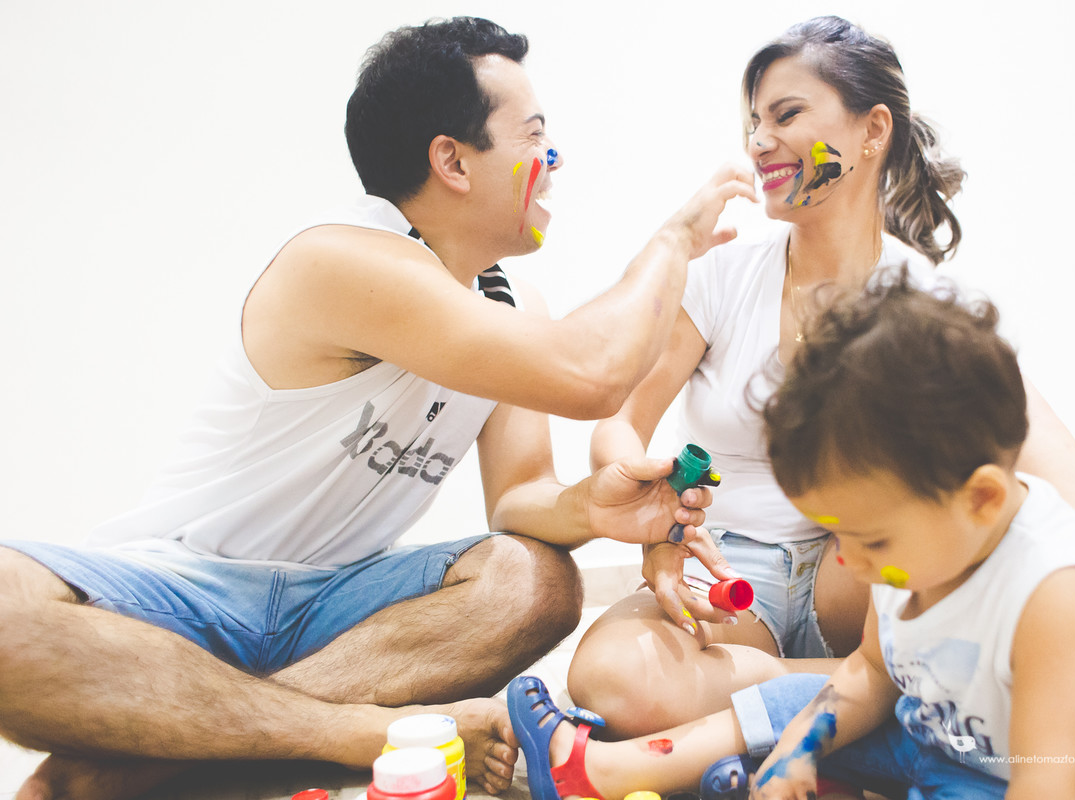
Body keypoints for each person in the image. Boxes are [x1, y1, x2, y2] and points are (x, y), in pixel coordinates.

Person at [0, 17, 755, 800]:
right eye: (535, 138)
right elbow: (593, 373)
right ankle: (352, 731)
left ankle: (162, 745)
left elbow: (522, 501)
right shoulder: (342, 260)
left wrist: (591, 508)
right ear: (451, 161)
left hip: (340, 604)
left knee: (535, 580)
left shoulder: (509, 300)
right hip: (191, 587)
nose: (554, 163)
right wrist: (675, 243)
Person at [568, 14, 1075, 738]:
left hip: (863, 575)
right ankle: (859, 703)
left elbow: (1073, 498)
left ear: (873, 132)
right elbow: (621, 421)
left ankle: (814, 701)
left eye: (787, 114)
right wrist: (660, 530)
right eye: (753, 122)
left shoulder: (929, 305)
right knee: (609, 682)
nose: (759, 140)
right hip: (730, 568)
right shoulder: (721, 275)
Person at [511, 273, 1075, 800]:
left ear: (983, 499)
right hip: (931, 741)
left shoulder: (1058, 596)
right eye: (837, 534)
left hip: (1006, 782)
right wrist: (801, 746)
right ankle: (613, 772)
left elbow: (1049, 784)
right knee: (796, 705)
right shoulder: (912, 554)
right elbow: (872, 673)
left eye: (871, 541)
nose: (849, 560)